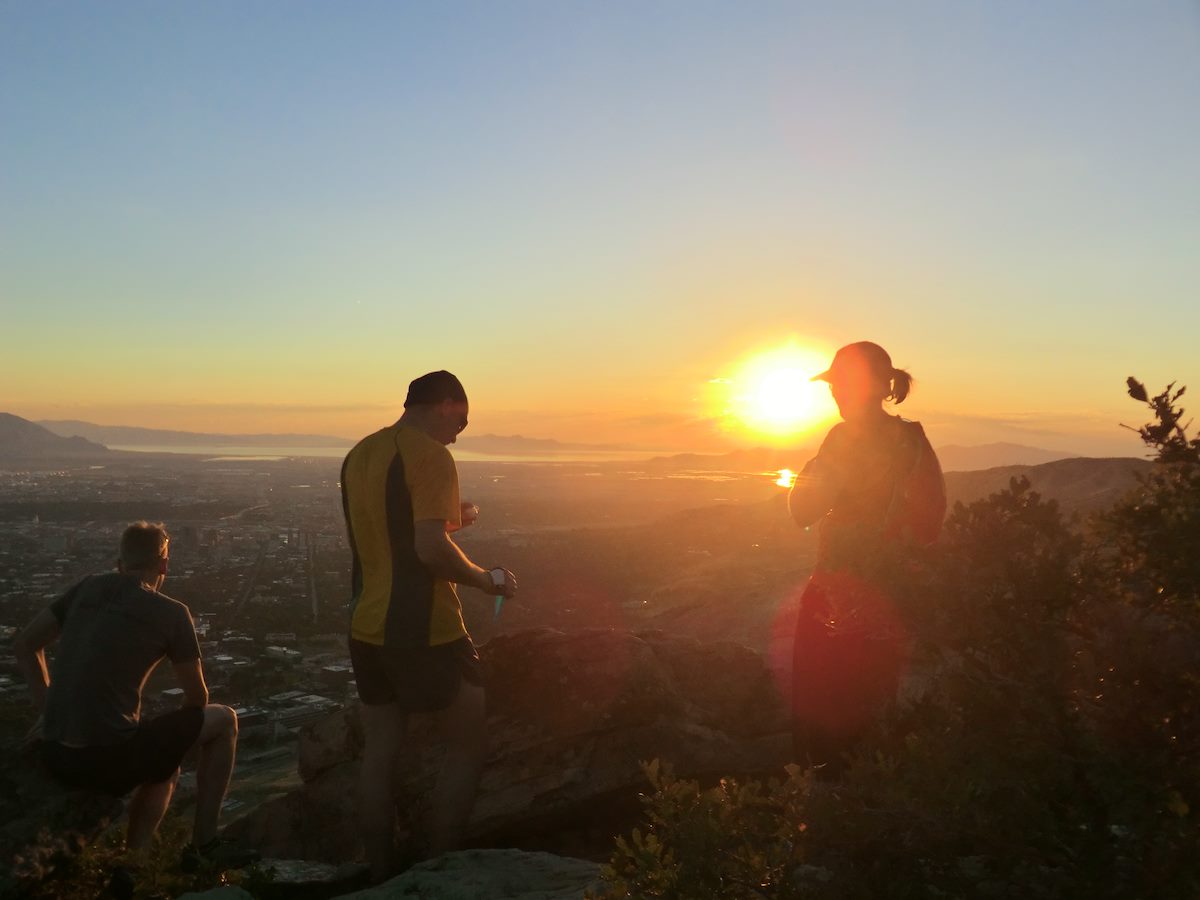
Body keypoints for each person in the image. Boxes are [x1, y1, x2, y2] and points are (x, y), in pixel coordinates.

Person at [340, 369, 517, 883]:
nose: (461, 431)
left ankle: (380, 873)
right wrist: (488, 581)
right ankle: (441, 873)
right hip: (423, 627)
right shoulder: (432, 455)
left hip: (366, 623)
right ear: (445, 405)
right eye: (462, 418)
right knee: (467, 744)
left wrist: (454, 516)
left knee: (380, 751)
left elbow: (388, 526)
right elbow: (429, 549)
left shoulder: (362, 453)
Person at [13, 521, 257, 877]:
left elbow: (25, 645)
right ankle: (204, 845)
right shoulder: (172, 612)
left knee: (163, 759)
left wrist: (48, 709)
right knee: (225, 721)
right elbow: (197, 697)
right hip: (107, 758)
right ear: (163, 565)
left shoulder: (86, 587)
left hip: (55, 752)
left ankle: (135, 867)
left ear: (119, 562)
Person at [788, 341, 945, 774]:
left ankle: (823, 803)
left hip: (835, 591)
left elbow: (802, 510)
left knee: (819, 702)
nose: (834, 394)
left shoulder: (843, 439)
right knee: (873, 705)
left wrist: (809, 472)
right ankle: (872, 800)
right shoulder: (913, 440)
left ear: (865, 387)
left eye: (839, 385)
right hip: (890, 597)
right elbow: (932, 521)